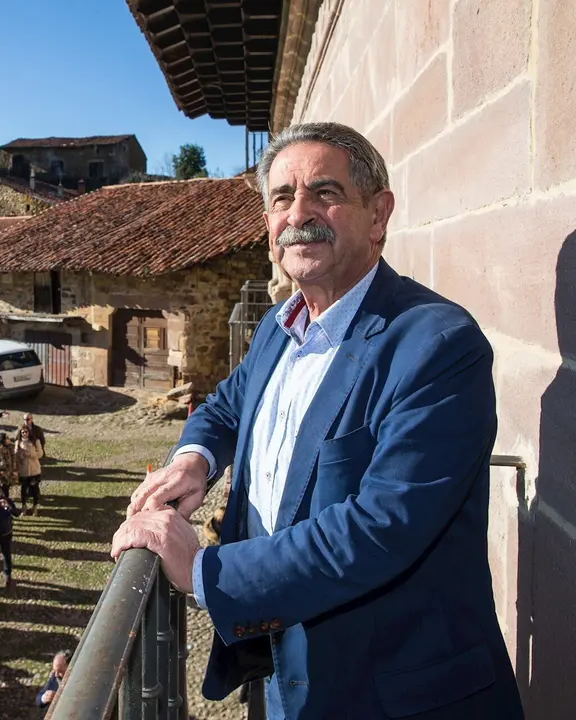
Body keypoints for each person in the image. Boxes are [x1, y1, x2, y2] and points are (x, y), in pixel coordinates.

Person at [111, 122, 524, 719]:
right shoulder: (280, 329)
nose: (298, 213)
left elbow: (382, 526)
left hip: (394, 693)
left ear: (378, 215)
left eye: (324, 193)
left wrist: (205, 570)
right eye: (282, 198)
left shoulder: (438, 345)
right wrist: (194, 458)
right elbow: (229, 402)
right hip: (287, 679)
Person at [14, 426, 45, 516]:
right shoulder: (18, 442)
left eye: (26, 432)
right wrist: (20, 455)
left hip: (34, 469)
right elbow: (15, 455)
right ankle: (24, 506)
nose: (24, 433)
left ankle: (35, 507)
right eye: (23, 432)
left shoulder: (35, 441)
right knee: (23, 490)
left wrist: (31, 454)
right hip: (23, 470)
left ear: (29, 432)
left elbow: (40, 453)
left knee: (35, 489)